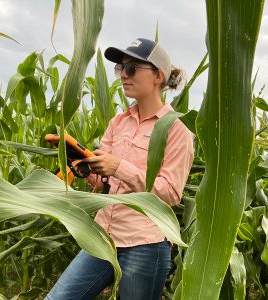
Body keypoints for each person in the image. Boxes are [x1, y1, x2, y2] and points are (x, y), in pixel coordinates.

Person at [45, 38, 194, 300]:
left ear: (158, 76)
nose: (123, 75)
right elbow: (105, 185)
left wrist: (120, 167)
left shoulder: (176, 130)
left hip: (145, 245)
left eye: (132, 69)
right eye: (120, 68)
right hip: (102, 236)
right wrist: (83, 166)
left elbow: (171, 194)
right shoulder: (118, 122)